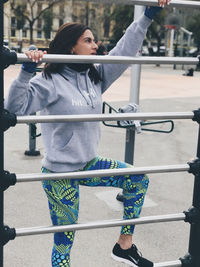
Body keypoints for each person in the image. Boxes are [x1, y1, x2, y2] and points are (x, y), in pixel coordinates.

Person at [5, 1, 169, 266]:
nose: (96, 46)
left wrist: (147, 17)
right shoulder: (50, 81)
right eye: (89, 41)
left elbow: (123, 50)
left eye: (95, 41)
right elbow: (13, 108)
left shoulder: (96, 76)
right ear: (72, 46)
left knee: (137, 178)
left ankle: (124, 246)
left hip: (89, 164)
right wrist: (25, 72)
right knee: (64, 243)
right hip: (60, 175)